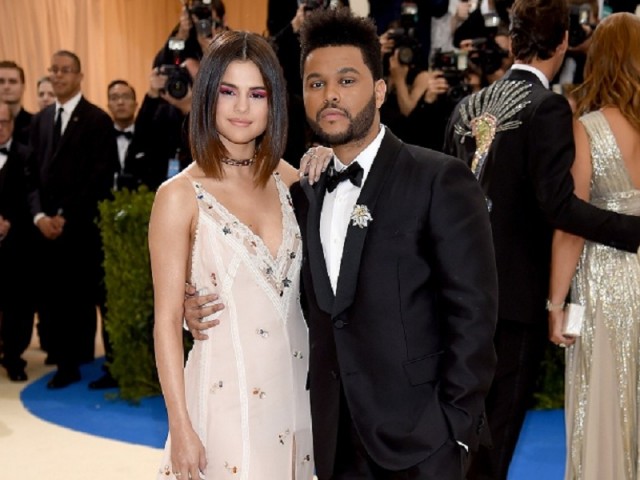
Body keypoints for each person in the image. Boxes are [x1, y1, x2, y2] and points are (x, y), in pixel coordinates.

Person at [187, 7, 498, 479]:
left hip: (424, 442)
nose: (330, 95)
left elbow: (474, 315)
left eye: (347, 81)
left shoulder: (438, 179)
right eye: (315, 84)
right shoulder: (301, 194)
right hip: (333, 442)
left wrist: (454, 427)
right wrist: (197, 307)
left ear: (379, 89)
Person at [442, 0, 640, 478]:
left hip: (458, 290)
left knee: (462, 425)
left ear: (511, 41)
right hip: (517, 296)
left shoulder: (465, 107)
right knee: (500, 429)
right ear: (565, 42)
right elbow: (558, 207)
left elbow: (446, 200)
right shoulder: (548, 106)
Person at [149, 30, 315, 480]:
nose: (242, 107)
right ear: (207, 98)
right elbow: (165, 320)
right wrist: (180, 426)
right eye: (228, 92)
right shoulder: (179, 195)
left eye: (256, 94)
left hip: (297, 399)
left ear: (273, 102)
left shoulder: (292, 180)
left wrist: (324, 164)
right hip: (223, 405)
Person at [547, 13, 640, 480]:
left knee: (602, 397)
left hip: (604, 282)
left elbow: (572, 224)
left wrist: (555, 303)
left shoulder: (588, 127)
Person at [26, 50, 119, 389]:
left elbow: (98, 177)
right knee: (56, 300)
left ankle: (106, 364)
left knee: (88, 298)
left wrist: (64, 216)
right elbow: (31, 174)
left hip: (81, 228)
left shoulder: (97, 120)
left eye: (66, 70)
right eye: (54, 70)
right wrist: (38, 216)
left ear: (80, 76)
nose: (59, 75)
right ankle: (66, 365)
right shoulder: (40, 120)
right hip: (45, 228)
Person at [0, 101, 37, 382]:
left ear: (12, 124)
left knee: (19, 306)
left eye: (4, 122)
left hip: (18, 244)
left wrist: (10, 221)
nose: (0, 128)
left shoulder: (27, 156)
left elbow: (34, 197)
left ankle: (14, 356)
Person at [0, 61, 32, 146]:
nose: (6, 87)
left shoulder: (38, 125)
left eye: (12, 81)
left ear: (23, 86)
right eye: (1, 81)